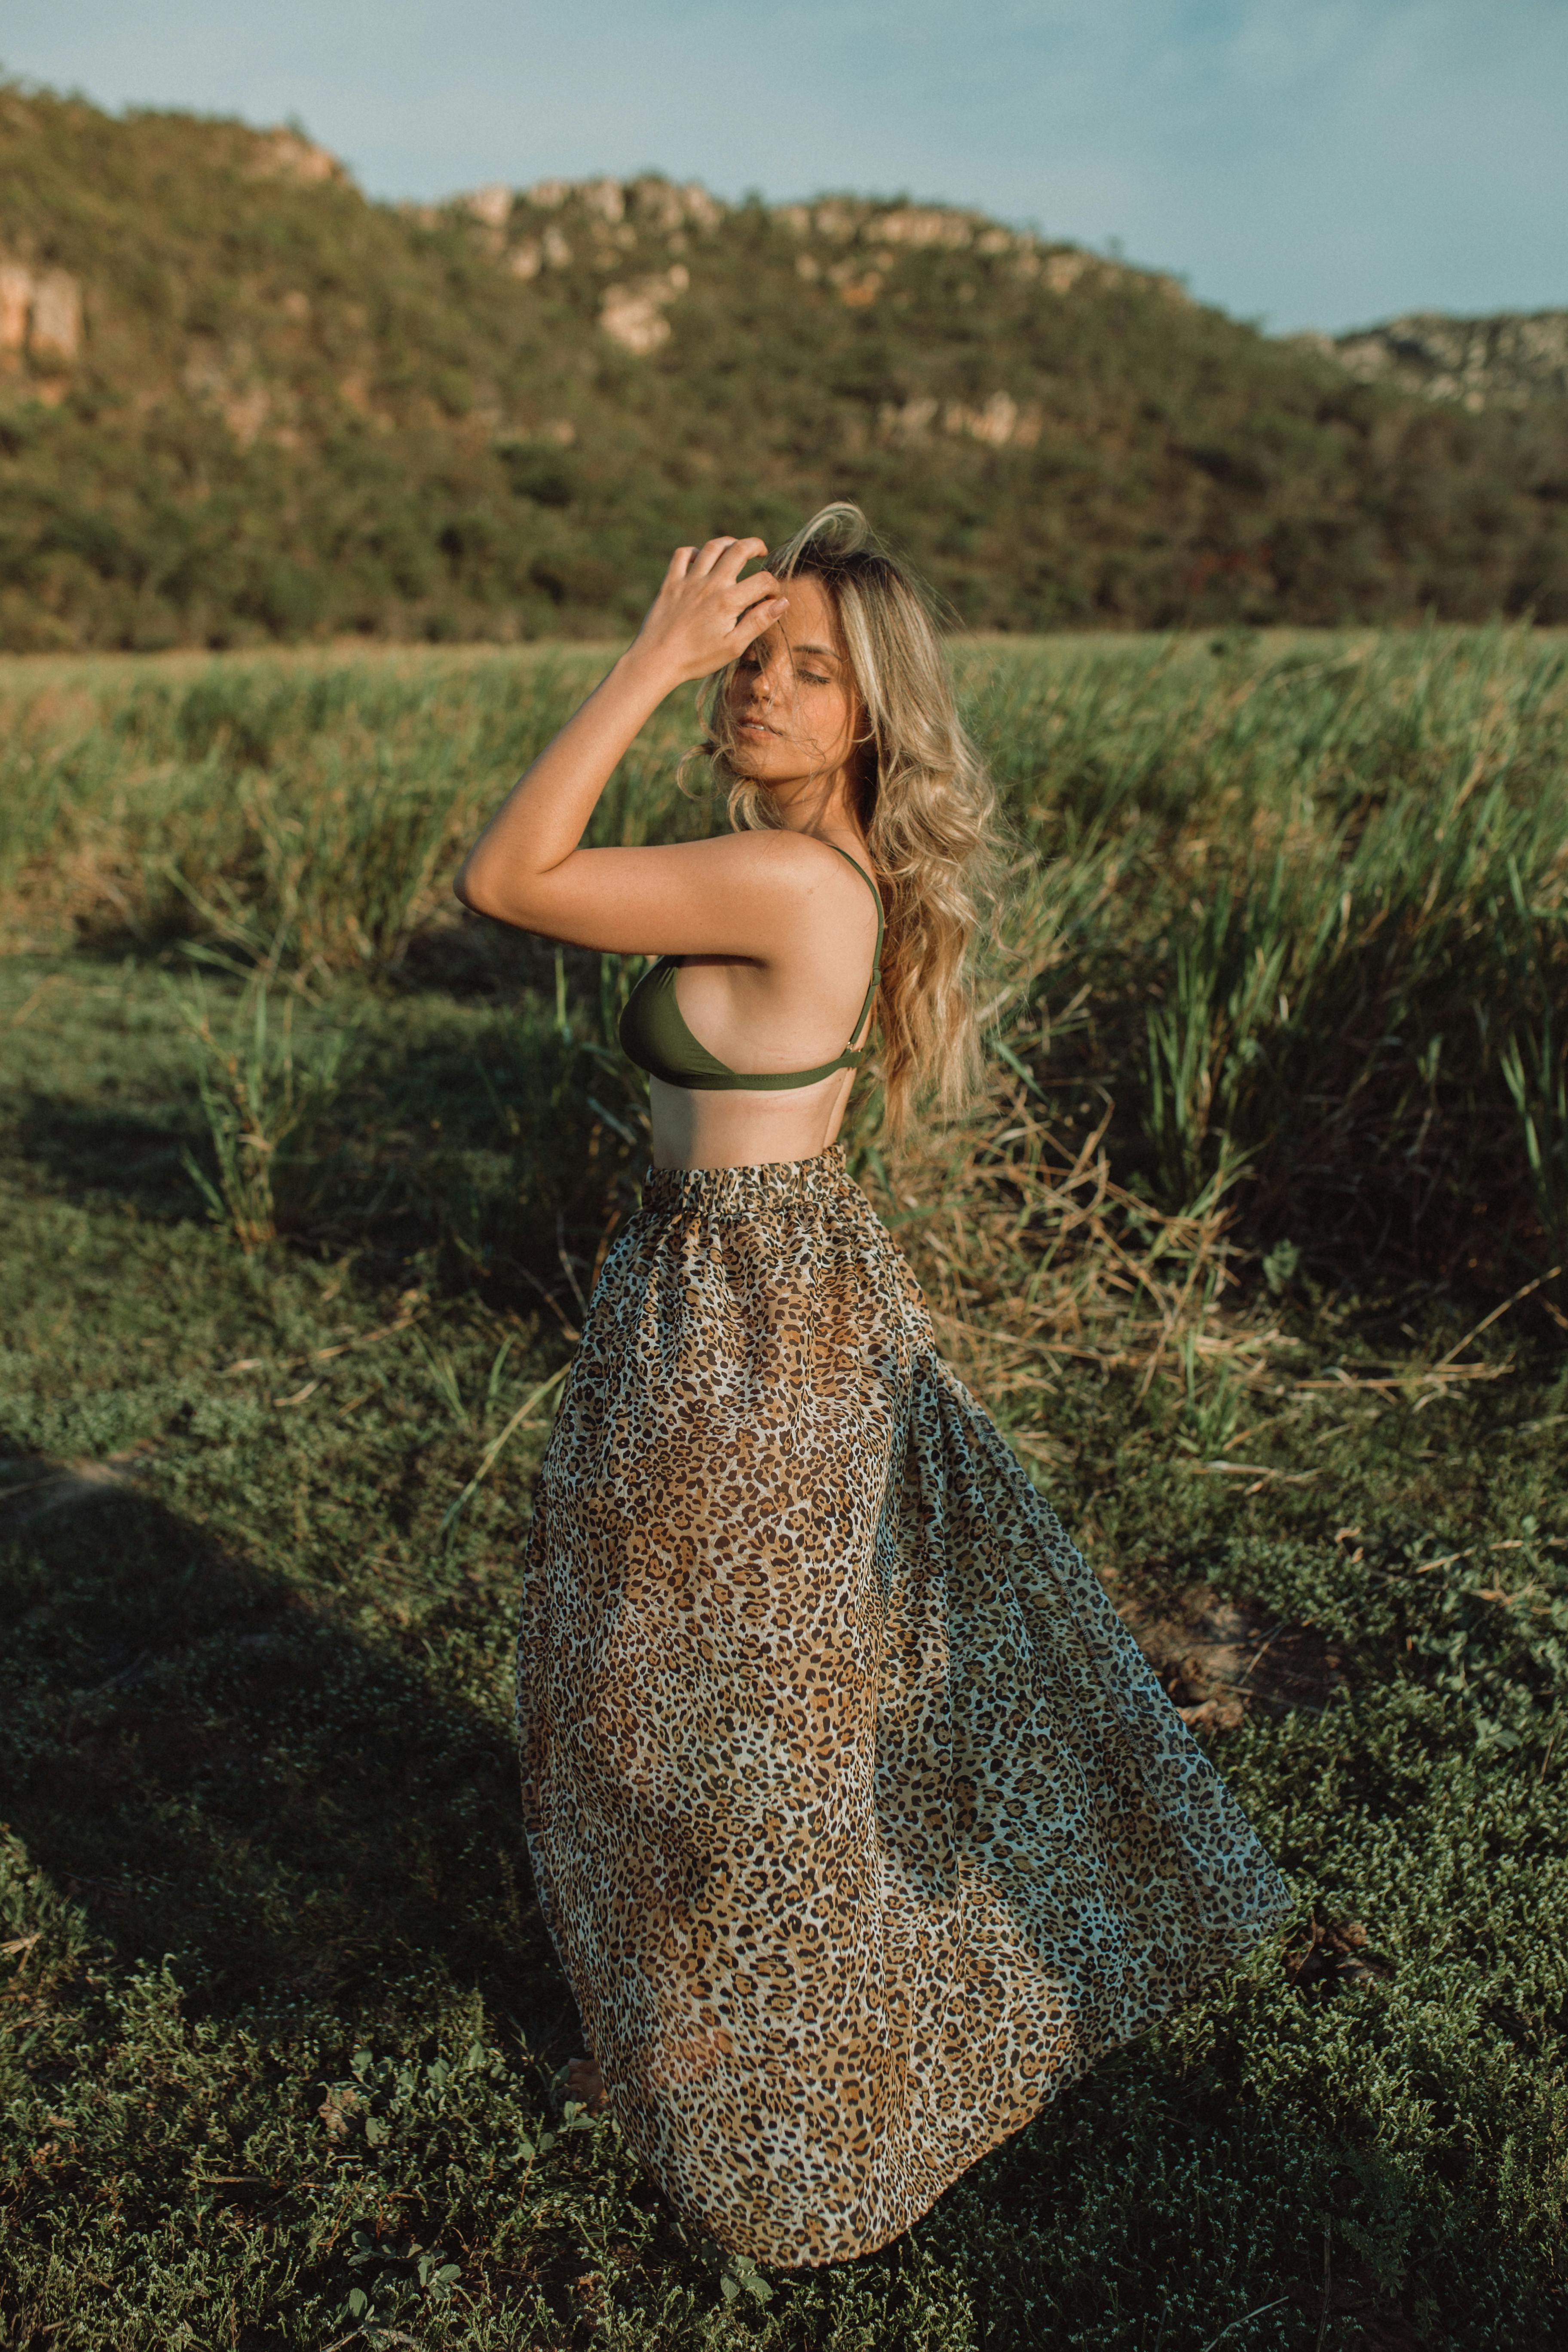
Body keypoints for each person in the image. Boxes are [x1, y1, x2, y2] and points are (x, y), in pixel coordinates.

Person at [455, 505, 1290, 2269]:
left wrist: (645, 657)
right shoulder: (812, 866)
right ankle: (700, 2053)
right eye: (749, 656)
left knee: (696, 1717)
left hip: (744, 1327)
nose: (758, 687)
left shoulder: (787, 881)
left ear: (870, 720)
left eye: (804, 670)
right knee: (697, 1706)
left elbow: (509, 879)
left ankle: (786, 2137)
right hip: (750, 1295)